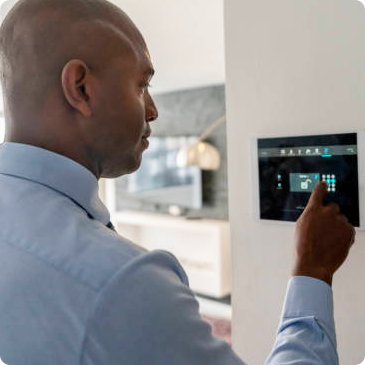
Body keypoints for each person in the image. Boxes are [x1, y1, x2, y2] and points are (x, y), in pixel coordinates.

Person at [0, 0, 355, 364]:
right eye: (142, 85)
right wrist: (313, 269)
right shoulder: (123, 285)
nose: (152, 110)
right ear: (81, 88)